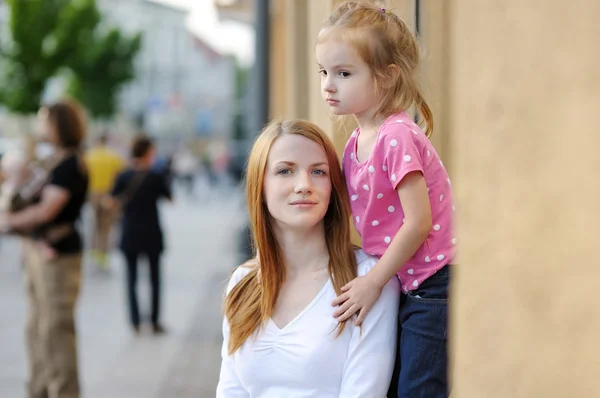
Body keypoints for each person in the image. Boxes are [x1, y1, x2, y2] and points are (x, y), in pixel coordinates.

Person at [315, 2, 456, 397]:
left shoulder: (397, 136)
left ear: (387, 76)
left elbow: (418, 222)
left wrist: (373, 282)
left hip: (433, 284)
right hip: (404, 281)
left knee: (419, 388)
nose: (328, 84)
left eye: (343, 73)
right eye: (323, 71)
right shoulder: (355, 144)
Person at [216, 120, 400, 397]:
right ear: (260, 186)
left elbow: (363, 392)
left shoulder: (368, 279)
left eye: (318, 171)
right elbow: (231, 390)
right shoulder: (243, 284)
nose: (303, 185)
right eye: (285, 171)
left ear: (333, 188)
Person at [0, 99, 89, 398]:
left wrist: (8, 221)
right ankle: (39, 390)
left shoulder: (69, 165)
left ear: (58, 125)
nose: (39, 126)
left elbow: (46, 211)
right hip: (40, 253)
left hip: (59, 256)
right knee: (36, 328)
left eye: (44, 120)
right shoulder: (52, 161)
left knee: (56, 330)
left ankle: (64, 392)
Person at [109, 135, 172, 335]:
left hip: (130, 232)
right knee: (154, 279)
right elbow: (170, 198)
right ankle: (154, 321)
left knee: (131, 279)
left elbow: (111, 202)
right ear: (147, 152)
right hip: (151, 232)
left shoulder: (123, 175)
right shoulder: (155, 176)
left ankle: (135, 322)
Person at [85, 132, 124, 269]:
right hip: (108, 193)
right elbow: (120, 174)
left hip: (93, 193)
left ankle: (94, 250)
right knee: (106, 225)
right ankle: (103, 253)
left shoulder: (89, 156)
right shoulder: (113, 156)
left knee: (95, 222)